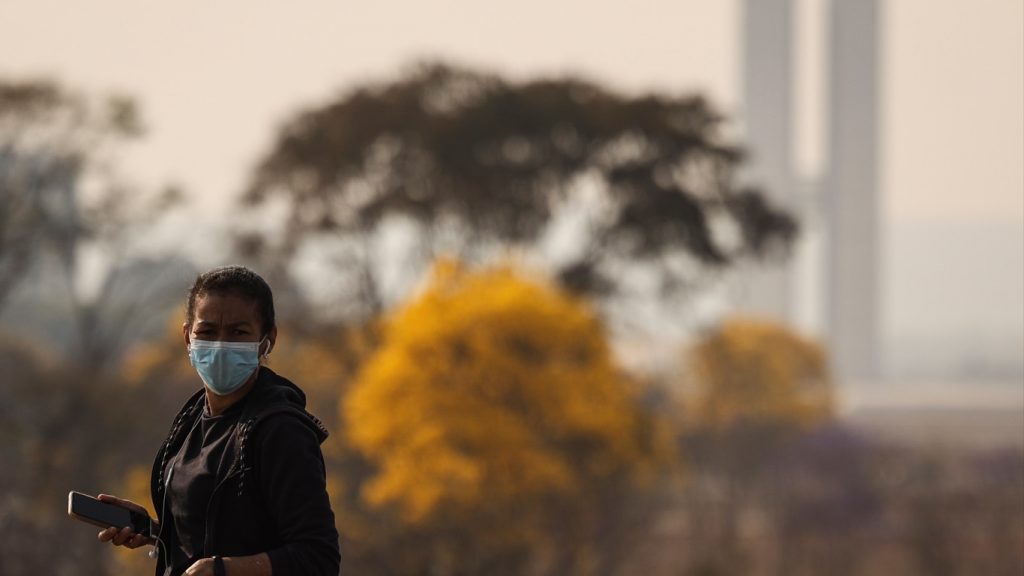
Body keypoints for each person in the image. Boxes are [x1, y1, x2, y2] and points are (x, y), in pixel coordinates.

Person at [97, 265, 341, 576]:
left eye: (238, 332)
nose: (221, 345)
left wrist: (224, 570)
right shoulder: (190, 420)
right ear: (187, 336)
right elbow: (219, 534)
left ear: (268, 338)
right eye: (207, 332)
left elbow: (319, 558)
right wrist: (156, 531)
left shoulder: (281, 431)